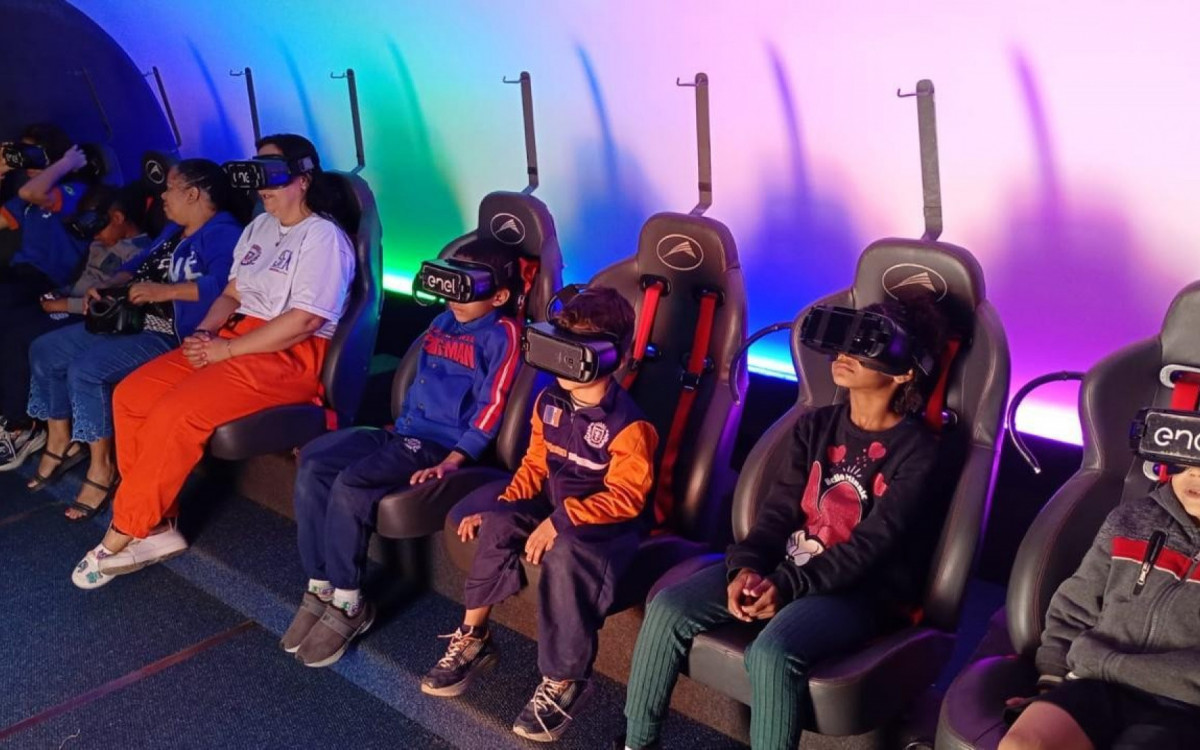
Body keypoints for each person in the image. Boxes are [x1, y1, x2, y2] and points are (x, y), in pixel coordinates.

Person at [615, 299, 949, 750]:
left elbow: (871, 547)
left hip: (856, 593)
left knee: (772, 653)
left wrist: (786, 586)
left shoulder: (919, 452)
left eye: (865, 344)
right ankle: (637, 743)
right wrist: (747, 568)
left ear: (906, 372)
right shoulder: (815, 426)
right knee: (668, 607)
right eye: (845, 341)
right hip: (787, 566)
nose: (844, 353)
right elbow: (776, 514)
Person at [70, 134, 355, 589]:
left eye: (272, 176)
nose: (263, 187)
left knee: (174, 413)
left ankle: (126, 527)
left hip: (286, 354)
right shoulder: (259, 228)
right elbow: (231, 293)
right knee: (131, 396)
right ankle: (157, 527)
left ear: (302, 179)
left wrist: (226, 351)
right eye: (257, 175)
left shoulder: (324, 237)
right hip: (235, 334)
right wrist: (206, 334)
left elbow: (304, 320)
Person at [422, 286, 658, 743]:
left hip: (607, 527)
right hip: (555, 505)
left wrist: (560, 521)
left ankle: (566, 679)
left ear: (607, 356)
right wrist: (502, 506)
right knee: (500, 522)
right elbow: (534, 465)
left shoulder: (629, 425)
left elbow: (627, 498)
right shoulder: (548, 401)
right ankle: (473, 637)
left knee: (565, 552)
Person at [281, 237, 521, 669]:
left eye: (467, 291)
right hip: (404, 433)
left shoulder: (503, 334)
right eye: (452, 287)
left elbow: (493, 406)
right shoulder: (442, 322)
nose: (455, 299)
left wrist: (456, 458)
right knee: (315, 460)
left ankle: (349, 601)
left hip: (439, 446)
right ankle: (320, 585)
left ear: (499, 296)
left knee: (353, 483)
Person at [25, 160, 243, 521]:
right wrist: (110, 284)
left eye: (170, 188)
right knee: (45, 350)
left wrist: (163, 291)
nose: (163, 196)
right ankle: (60, 438)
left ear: (193, 194)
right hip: (131, 319)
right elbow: (138, 264)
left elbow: (225, 286)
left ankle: (102, 467)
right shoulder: (173, 230)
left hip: (169, 333)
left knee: (86, 370)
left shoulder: (224, 232)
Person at [1000, 464, 1200, 750]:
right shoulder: (1130, 520)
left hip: (1183, 704)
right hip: (1096, 680)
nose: (1195, 473)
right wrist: (1051, 681)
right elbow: (1075, 606)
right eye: (1187, 460)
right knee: (1022, 744)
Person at [0, 182, 151, 471]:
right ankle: (12, 411)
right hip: (67, 303)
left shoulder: (139, 253)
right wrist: (58, 295)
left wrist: (61, 304)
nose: (94, 234)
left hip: (93, 316)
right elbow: (81, 283)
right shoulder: (99, 244)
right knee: (11, 321)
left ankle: (20, 426)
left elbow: (107, 300)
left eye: (99, 226)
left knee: (21, 337)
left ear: (118, 218)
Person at [0, 123, 93, 310]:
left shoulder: (75, 191)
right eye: (26, 154)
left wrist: (67, 162)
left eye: (36, 155)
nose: (30, 161)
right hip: (19, 271)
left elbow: (31, 193)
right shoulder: (23, 202)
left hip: (48, 280)